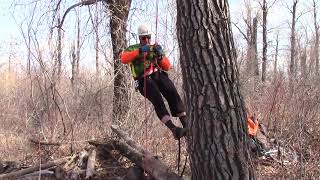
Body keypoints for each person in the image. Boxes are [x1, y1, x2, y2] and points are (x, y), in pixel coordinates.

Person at [120, 24, 188, 140]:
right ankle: (174, 129)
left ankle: (186, 124)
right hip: (143, 80)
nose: (147, 40)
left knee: (172, 92)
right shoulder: (133, 49)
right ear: (139, 38)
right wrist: (140, 51)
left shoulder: (154, 48)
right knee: (157, 99)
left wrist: (160, 56)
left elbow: (167, 67)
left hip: (157, 75)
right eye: (143, 38)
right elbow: (124, 59)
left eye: (148, 37)